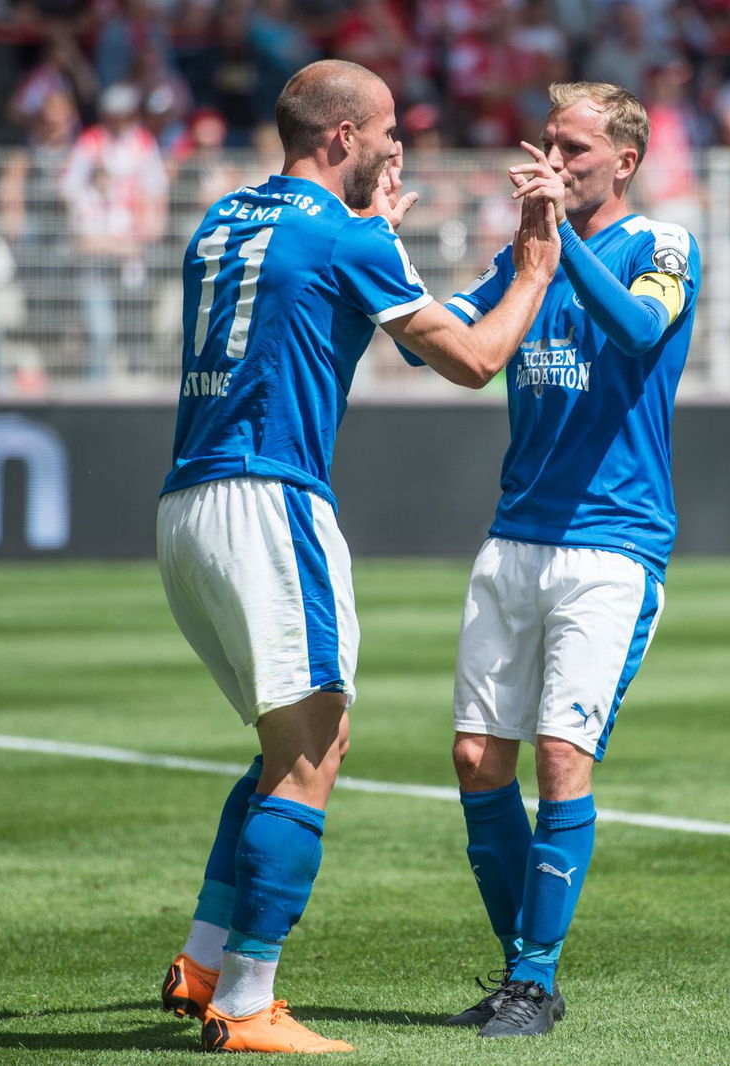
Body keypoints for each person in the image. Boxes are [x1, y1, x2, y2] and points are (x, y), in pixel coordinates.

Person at [154, 58, 560, 1055]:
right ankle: (246, 1001)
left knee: (283, 743)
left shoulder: (223, 218)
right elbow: (473, 360)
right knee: (314, 751)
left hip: (187, 504)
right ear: (342, 137)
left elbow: (313, 295)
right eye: (387, 134)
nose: (396, 149)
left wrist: (376, 232)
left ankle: (203, 960)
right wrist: (534, 273)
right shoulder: (346, 236)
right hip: (270, 497)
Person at [425, 80, 700, 1038]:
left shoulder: (662, 244)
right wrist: (376, 248)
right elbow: (437, 344)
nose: (553, 162)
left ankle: (534, 983)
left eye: (573, 149)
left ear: (625, 161)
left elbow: (640, 328)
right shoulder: (523, 255)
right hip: (515, 533)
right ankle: (520, 974)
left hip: (612, 541)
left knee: (559, 755)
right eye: (547, 144)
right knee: (474, 757)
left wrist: (555, 248)